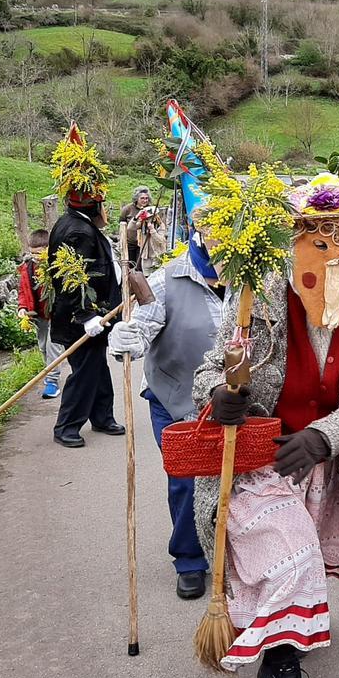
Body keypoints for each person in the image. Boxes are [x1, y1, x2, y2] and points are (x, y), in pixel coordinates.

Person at [191, 174, 339, 678]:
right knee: (290, 556)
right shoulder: (256, 292)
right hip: (260, 457)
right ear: (297, 238)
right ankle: (280, 668)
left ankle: (285, 637)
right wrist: (219, 392)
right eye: (322, 238)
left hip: (323, 459)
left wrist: (325, 436)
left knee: (299, 558)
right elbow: (212, 366)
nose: (337, 252)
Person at [108, 225, 230, 600]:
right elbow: (142, 329)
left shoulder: (252, 275)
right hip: (176, 401)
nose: (223, 236)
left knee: (238, 479)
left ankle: (232, 552)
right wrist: (125, 338)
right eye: (216, 227)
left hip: (233, 403)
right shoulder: (166, 280)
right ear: (200, 230)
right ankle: (190, 559)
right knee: (187, 481)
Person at [47, 124, 125, 449]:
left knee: (96, 368)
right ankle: (66, 426)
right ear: (94, 206)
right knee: (84, 373)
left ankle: (103, 417)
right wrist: (86, 316)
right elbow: (72, 278)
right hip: (82, 320)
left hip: (94, 317)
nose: (107, 209)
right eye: (104, 203)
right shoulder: (77, 232)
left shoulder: (82, 225)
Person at [16, 228, 62, 400]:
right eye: (32, 253)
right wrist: (22, 307)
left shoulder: (56, 266)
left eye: (39, 253)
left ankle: (52, 381)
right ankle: (50, 372)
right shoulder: (27, 268)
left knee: (53, 346)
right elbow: (23, 290)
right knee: (43, 346)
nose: (35, 256)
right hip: (38, 313)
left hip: (56, 313)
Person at [121, 185, 166, 274]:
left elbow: (161, 236)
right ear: (137, 198)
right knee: (130, 265)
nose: (145, 200)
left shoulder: (151, 210)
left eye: (146, 198)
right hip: (131, 242)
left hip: (143, 245)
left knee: (139, 267)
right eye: (142, 198)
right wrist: (137, 217)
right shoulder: (128, 209)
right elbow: (126, 225)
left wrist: (152, 229)